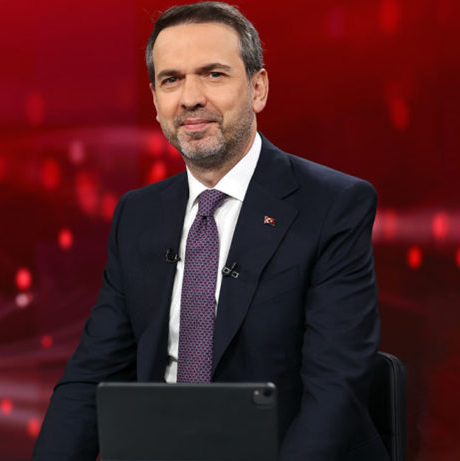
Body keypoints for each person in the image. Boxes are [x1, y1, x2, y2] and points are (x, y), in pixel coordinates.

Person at [33, 2, 387, 460]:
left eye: (213, 74)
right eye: (171, 80)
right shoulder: (138, 215)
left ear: (257, 88)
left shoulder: (333, 205)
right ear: (155, 101)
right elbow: (91, 376)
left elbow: (335, 388)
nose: (190, 98)